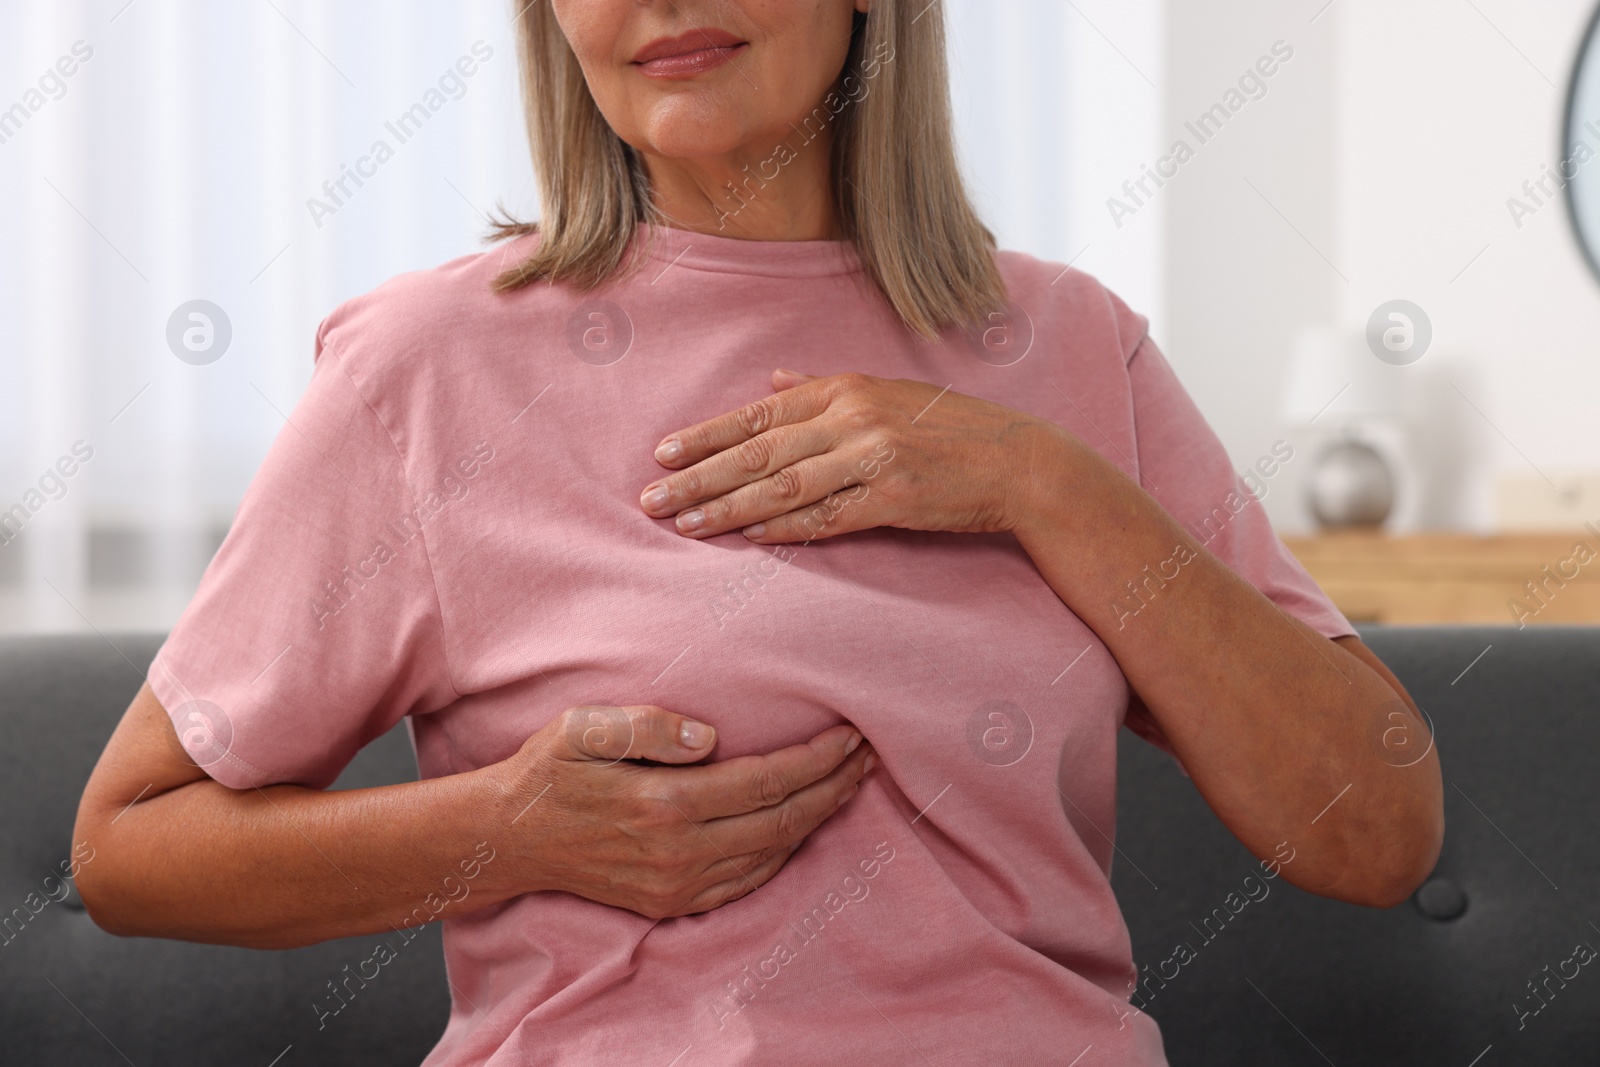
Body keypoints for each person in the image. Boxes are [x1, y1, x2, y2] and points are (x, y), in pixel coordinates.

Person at [73, 2, 1444, 1064]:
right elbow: (132, 848)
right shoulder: (429, 368)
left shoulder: (1073, 345)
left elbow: (1377, 832)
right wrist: (514, 830)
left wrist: (1039, 480)